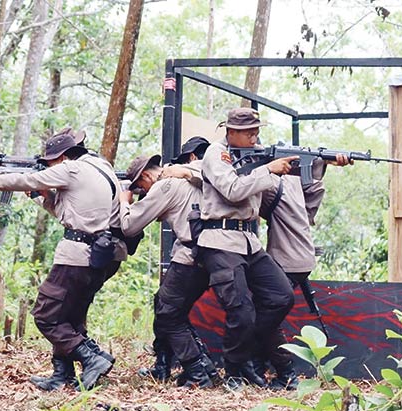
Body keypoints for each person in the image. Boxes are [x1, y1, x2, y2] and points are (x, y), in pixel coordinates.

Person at [0, 132, 118, 391]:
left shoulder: (72, 169)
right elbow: (67, 211)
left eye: (51, 162)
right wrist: (41, 196)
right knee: (68, 317)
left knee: (46, 315)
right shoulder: (100, 166)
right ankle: (62, 375)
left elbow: (32, 177)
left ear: (61, 157)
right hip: (98, 253)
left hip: (77, 255)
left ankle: (91, 356)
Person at [196, 107, 297, 390]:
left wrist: (324, 162)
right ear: (231, 132)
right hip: (220, 239)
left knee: (281, 296)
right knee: (240, 311)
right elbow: (233, 190)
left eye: (256, 131)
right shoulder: (216, 153)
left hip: (250, 241)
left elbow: (293, 168)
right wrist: (267, 170)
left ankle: (250, 356)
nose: (255, 137)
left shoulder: (258, 153)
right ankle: (234, 371)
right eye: (249, 132)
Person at [119, 152, 218, 388]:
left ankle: (197, 371)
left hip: (190, 257)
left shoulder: (164, 186)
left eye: (141, 186)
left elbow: (129, 226)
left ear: (145, 176)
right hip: (209, 254)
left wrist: (125, 200)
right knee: (170, 308)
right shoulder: (187, 178)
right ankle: (202, 366)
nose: (142, 190)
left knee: (167, 314)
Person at [256, 150, 352, 390]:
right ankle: (263, 367)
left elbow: (240, 189)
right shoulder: (303, 188)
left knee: (266, 317)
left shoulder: (275, 186)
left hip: (287, 260)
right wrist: (324, 162)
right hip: (300, 259)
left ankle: (285, 372)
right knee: (266, 314)